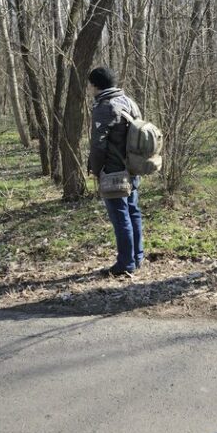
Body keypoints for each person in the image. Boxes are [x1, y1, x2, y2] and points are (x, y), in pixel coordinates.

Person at [87, 67, 144, 277]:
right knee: (133, 212)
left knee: (121, 217)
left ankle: (125, 264)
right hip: (132, 166)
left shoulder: (105, 106)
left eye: (89, 84)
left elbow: (98, 144)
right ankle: (137, 258)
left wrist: (95, 168)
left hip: (113, 171)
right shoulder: (128, 101)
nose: (88, 88)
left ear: (95, 85)